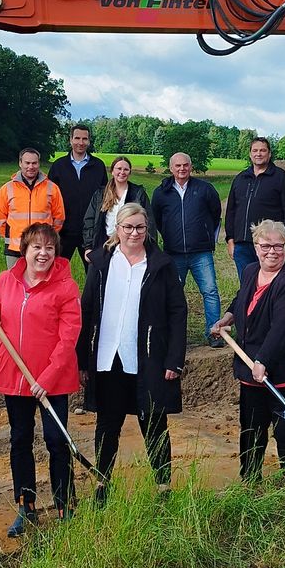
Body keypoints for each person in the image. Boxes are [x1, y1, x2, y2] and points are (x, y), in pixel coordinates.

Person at [0, 222, 82, 537]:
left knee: (56, 442)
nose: (43, 253)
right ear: (25, 249)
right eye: (36, 246)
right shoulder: (7, 280)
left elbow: (68, 339)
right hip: (15, 377)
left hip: (52, 381)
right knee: (20, 441)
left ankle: (65, 506)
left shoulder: (66, 287)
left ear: (56, 252)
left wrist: (46, 379)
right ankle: (26, 507)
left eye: (49, 247)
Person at [78, 202, 186, 500]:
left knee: (153, 422)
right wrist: (81, 360)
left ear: (147, 229)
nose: (134, 232)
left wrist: (175, 359)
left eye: (140, 227)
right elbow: (86, 310)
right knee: (107, 424)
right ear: (117, 229)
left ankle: (163, 485)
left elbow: (178, 313)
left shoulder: (161, 265)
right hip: (108, 357)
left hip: (147, 357)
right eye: (128, 227)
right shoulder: (101, 263)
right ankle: (102, 483)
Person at [211, 218, 285, 481]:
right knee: (251, 427)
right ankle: (249, 481)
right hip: (253, 367)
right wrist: (229, 316)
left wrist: (264, 360)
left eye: (278, 246)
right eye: (265, 245)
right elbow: (243, 296)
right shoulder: (251, 270)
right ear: (256, 246)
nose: (272, 251)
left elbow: (284, 328)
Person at [151, 151, 224, 346]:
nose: (182, 169)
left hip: (201, 252)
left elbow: (215, 213)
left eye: (185, 165)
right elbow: (156, 218)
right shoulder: (161, 192)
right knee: (173, 294)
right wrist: (169, 234)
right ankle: (173, 337)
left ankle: (214, 333)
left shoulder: (205, 189)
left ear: (191, 167)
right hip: (173, 254)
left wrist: (206, 233)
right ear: (171, 168)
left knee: (210, 291)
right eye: (178, 166)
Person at [223, 137, 285, 287]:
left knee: (268, 285)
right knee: (247, 285)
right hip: (243, 245)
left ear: (269, 154)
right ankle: (249, 311)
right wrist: (230, 240)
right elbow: (231, 211)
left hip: (269, 245)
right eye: (255, 150)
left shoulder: (280, 177)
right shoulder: (240, 179)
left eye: (263, 150)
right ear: (250, 154)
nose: (259, 154)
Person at [0, 147, 65, 268]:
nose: (31, 167)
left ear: (39, 163)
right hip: (15, 247)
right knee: (16, 283)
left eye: (34, 163)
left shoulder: (52, 188)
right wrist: (12, 236)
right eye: (27, 163)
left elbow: (59, 218)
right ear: (20, 163)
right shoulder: (7, 188)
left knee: (40, 284)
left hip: (42, 248)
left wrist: (48, 238)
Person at [48, 124, 108, 264]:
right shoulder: (59, 166)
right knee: (57, 270)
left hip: (90, 232)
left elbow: (105, 196)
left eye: (84, 139)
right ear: (70, 140)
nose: (81, 143)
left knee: (94, 272)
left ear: (89, 141)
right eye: (77, 138)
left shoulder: (98, 166)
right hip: (64, 230)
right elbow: (49, 198)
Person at [82, 154, 153, 253]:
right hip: (103, 243)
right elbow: (89, 220)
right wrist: (88, 247)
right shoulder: (100, 194)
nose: (122, 172)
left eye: (126, 169)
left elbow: (149, 221)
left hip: (130, 245)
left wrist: (149, 248)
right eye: (119, 168)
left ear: (130, 172)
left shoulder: (138, 194)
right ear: (112, 171)